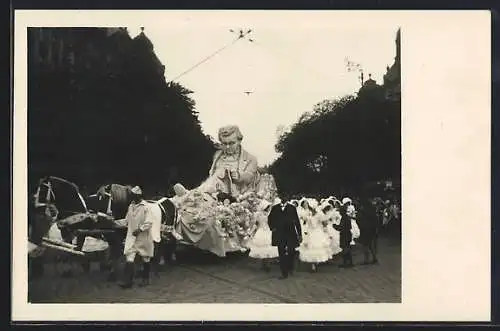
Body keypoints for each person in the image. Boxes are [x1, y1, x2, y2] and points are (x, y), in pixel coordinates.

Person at [205, 125, 259, 199]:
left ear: (239, 141)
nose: (227, 147)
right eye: (224, 143)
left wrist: (239, 176)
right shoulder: (217, 155)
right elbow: (212, 174)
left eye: (231, 143)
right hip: (215, 195)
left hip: (239, 197)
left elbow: (250, 176)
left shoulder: (251, 159)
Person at [119, 186, 154, 289]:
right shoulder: (130, 206)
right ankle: (127, 281)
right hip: (131, 237)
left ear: (139, 196)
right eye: (132, 196)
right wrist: (114, 222)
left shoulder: (146, 207)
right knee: (129, 257)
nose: (133, 198)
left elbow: (149, 222)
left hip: (143, 237)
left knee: (145, 257)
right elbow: (126, 220)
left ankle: (145, 279)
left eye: (134, 196)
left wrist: (140, 229)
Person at [268, 195, 302, 279]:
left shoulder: (292, 208)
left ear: (288, 199)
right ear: (281, 198)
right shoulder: (275, 208)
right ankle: (284, 273)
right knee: (281, 253)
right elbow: (270, 218)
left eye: (286, 197)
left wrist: (299, 233)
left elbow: (297, 221)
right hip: (280, 234)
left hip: (290, 233)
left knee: (291, 251)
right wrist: (272, 228)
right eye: (283, 197)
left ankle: (290, 267)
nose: (284, 198)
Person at [298, 198, 331, 272]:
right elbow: (304, 222)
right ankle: (313, 265)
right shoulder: (308, 214)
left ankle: (316, 262)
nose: (309, 208)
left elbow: (324, 223)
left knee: (317, 247)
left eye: (310, 207)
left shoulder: (319, 214)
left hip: (318, 232)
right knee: (310, 248)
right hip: (310, 233)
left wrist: (325, 230)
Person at [247, 200, 278, 271]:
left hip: (268, 231)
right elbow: (256, 224)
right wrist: (251, 232)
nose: (268, 208)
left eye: (269, 207)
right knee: (262, 248)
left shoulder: (270, 214)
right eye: (267, 207)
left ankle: (267, 264)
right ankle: (264, 264)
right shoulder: (258, 215)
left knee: (268, 248)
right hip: (261, 231)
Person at [333, 203, 354, 268]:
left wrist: (335, 226)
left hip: (345, 235)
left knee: (345, 249)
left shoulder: (344, 218)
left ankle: (346, 263)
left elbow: (342, 227)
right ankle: (349, 263)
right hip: (347, 234)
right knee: (347, 249)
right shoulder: (346, 217)